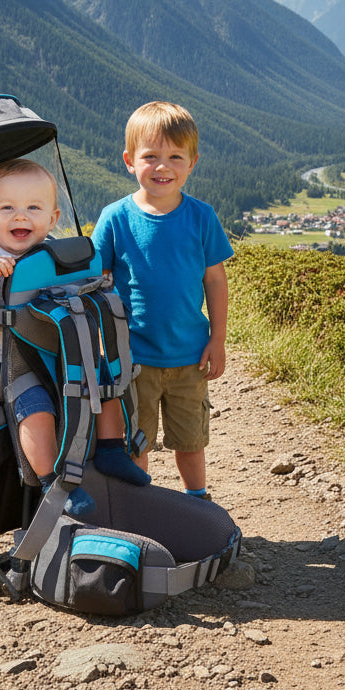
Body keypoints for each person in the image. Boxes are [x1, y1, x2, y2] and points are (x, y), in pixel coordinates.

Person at [0, 159, 147, 517]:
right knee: (34, 406)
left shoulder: (57, 254)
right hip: (0, 364)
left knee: (104, 379)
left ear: (53, 218)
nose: (20, 216)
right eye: (7, 208)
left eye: (34, 208)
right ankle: (53, 482)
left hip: (60, 356)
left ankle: (112, 449)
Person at [92, 102, 233, 500]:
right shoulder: (115, 218)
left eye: (175, 157)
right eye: (150, 156)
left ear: (192, 163)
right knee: (136, 442)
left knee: (191, 440)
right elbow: (96, 280)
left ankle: (197, 500)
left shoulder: (202, 217)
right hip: (133, 358)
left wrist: (218, 339)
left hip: (190, 357)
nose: (162, 167)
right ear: (129, 161)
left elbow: (215, 280)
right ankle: (140, 506)